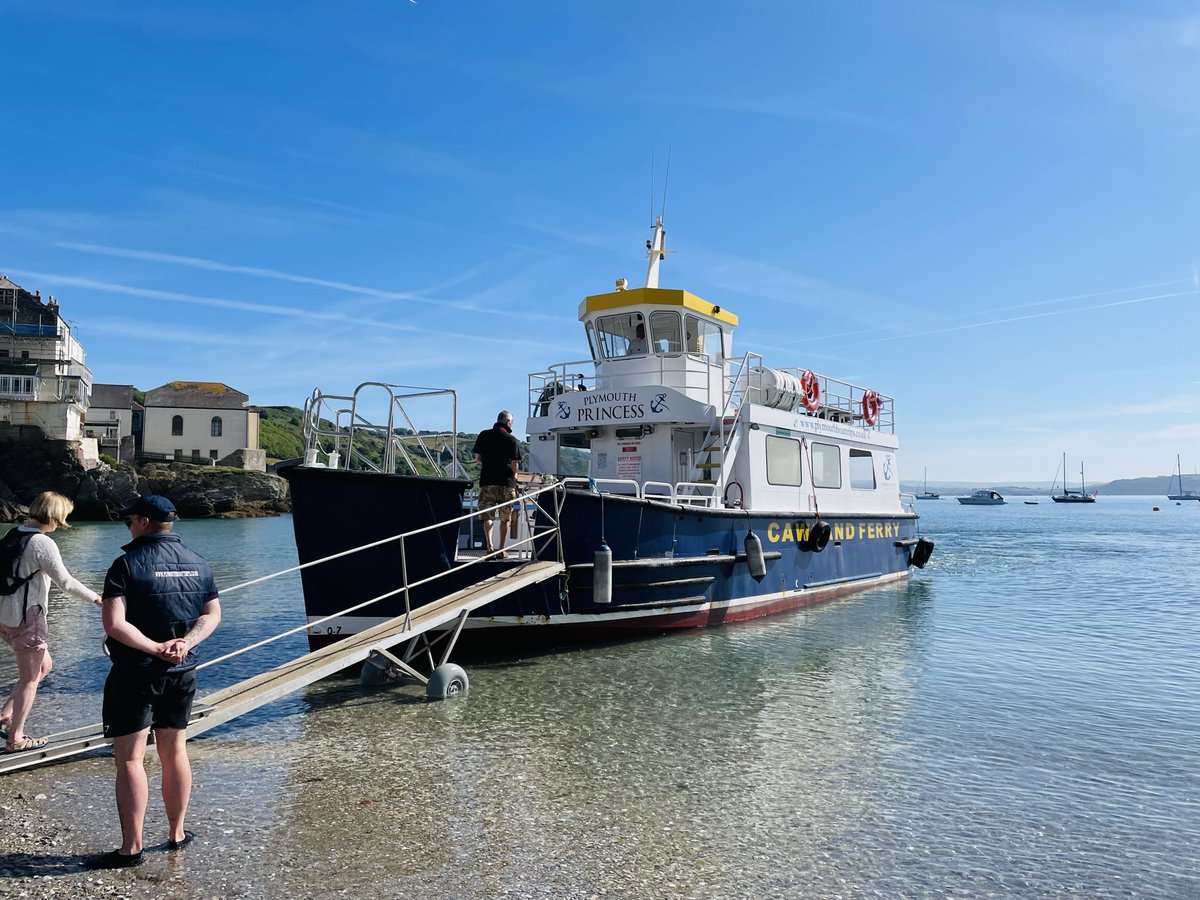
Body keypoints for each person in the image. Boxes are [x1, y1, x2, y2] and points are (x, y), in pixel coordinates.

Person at [86, 495, 221, 870]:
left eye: (128, 519)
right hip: (182, 672)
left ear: (144, 522)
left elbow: (114, 624)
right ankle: (176, 835)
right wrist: (184, 644)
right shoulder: (199, 563)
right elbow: (212, 614)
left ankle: (132, 848)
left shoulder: (126, 564)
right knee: (174, 752)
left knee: (130, 759)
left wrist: (155, 648)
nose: (126, 525)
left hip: (134, 673)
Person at [0, 492, 102, 753]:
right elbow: (65, 582)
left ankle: (4, 716)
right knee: (30, 679)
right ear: (56, 515)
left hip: (4, 617)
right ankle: (16, 738)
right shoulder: (42, 543)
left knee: (44, 666)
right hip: (27, 618)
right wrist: (96, 598)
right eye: (64, 514)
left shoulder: (14, 534)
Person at [471, 410, 522, 555]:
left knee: (487, 515)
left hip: (487, 482)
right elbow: (514, 464)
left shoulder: (484, 435)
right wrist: (516, 475)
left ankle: (489, 547)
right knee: (505, 518)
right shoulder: (511, 439)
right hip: (506, 483)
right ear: (508, 422)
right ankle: (501, 549)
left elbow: (478, 458)